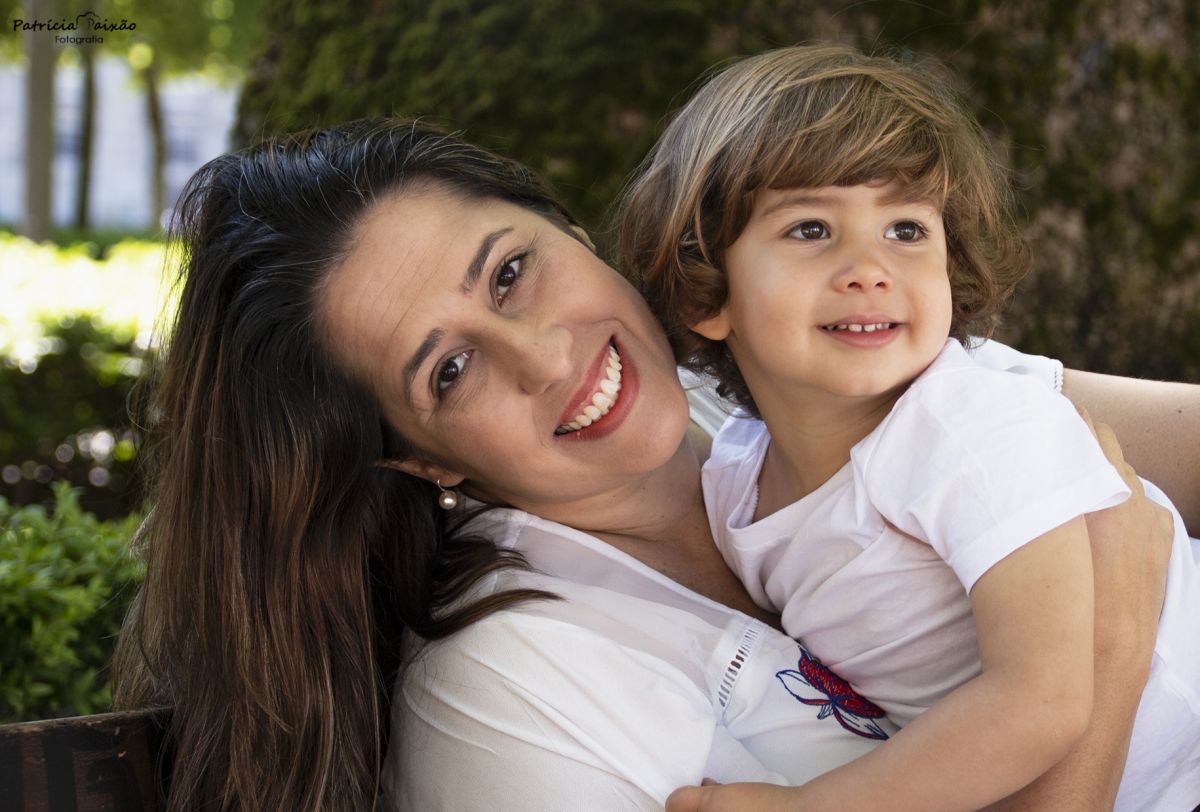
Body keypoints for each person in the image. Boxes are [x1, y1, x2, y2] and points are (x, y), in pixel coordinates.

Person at [109, 118, 1190, 811]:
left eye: (514, 272)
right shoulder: (510, 692)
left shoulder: (785, 386)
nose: (544, 357)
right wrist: (1110, 641)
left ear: (571, 226)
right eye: (448, 372)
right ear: (410, 458)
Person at [623, 45, 1199, 811]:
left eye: (905, 230)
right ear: (707, 292)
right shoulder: (733, 487)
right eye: (809, 229)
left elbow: (1045, 697)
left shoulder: (970, 427)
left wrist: (813, 807)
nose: (869, 266)